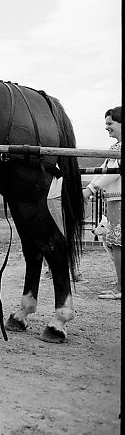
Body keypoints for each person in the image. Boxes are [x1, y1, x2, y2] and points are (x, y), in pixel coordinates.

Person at [83, 106, 121, 300]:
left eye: (110, 123)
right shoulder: (116, 148)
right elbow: (103, 169)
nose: (106, 128)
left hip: (120, 200)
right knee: (116, 244)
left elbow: (112, 172)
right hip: (115, 199)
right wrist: (88, 187)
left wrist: (90, 189)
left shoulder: (120, 148)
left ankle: (120, 288)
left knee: (118, 244)